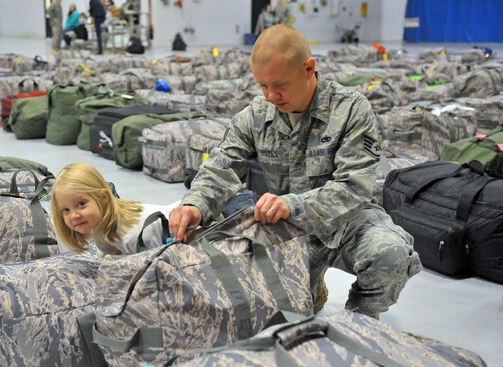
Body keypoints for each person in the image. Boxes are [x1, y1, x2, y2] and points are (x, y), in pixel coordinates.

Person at [168, 25, 422, 319]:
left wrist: (292, 204)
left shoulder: (351, 110)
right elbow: (222, 165)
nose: (271, 95)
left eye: (280, 85)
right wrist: (195, 204)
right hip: (287, 230)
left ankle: (361, 320)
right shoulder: (257, 114)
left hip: (347, 222)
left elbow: (354, 187)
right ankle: (311, 290)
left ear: (309, 68)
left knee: (390, 255)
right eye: (262, 86)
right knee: (265, 308)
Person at [51, 162, 169, 255]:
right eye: (66, 210)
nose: (74, 215)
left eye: (81, 204)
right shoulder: (100, 228)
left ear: (103, 197)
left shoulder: (130, 234)